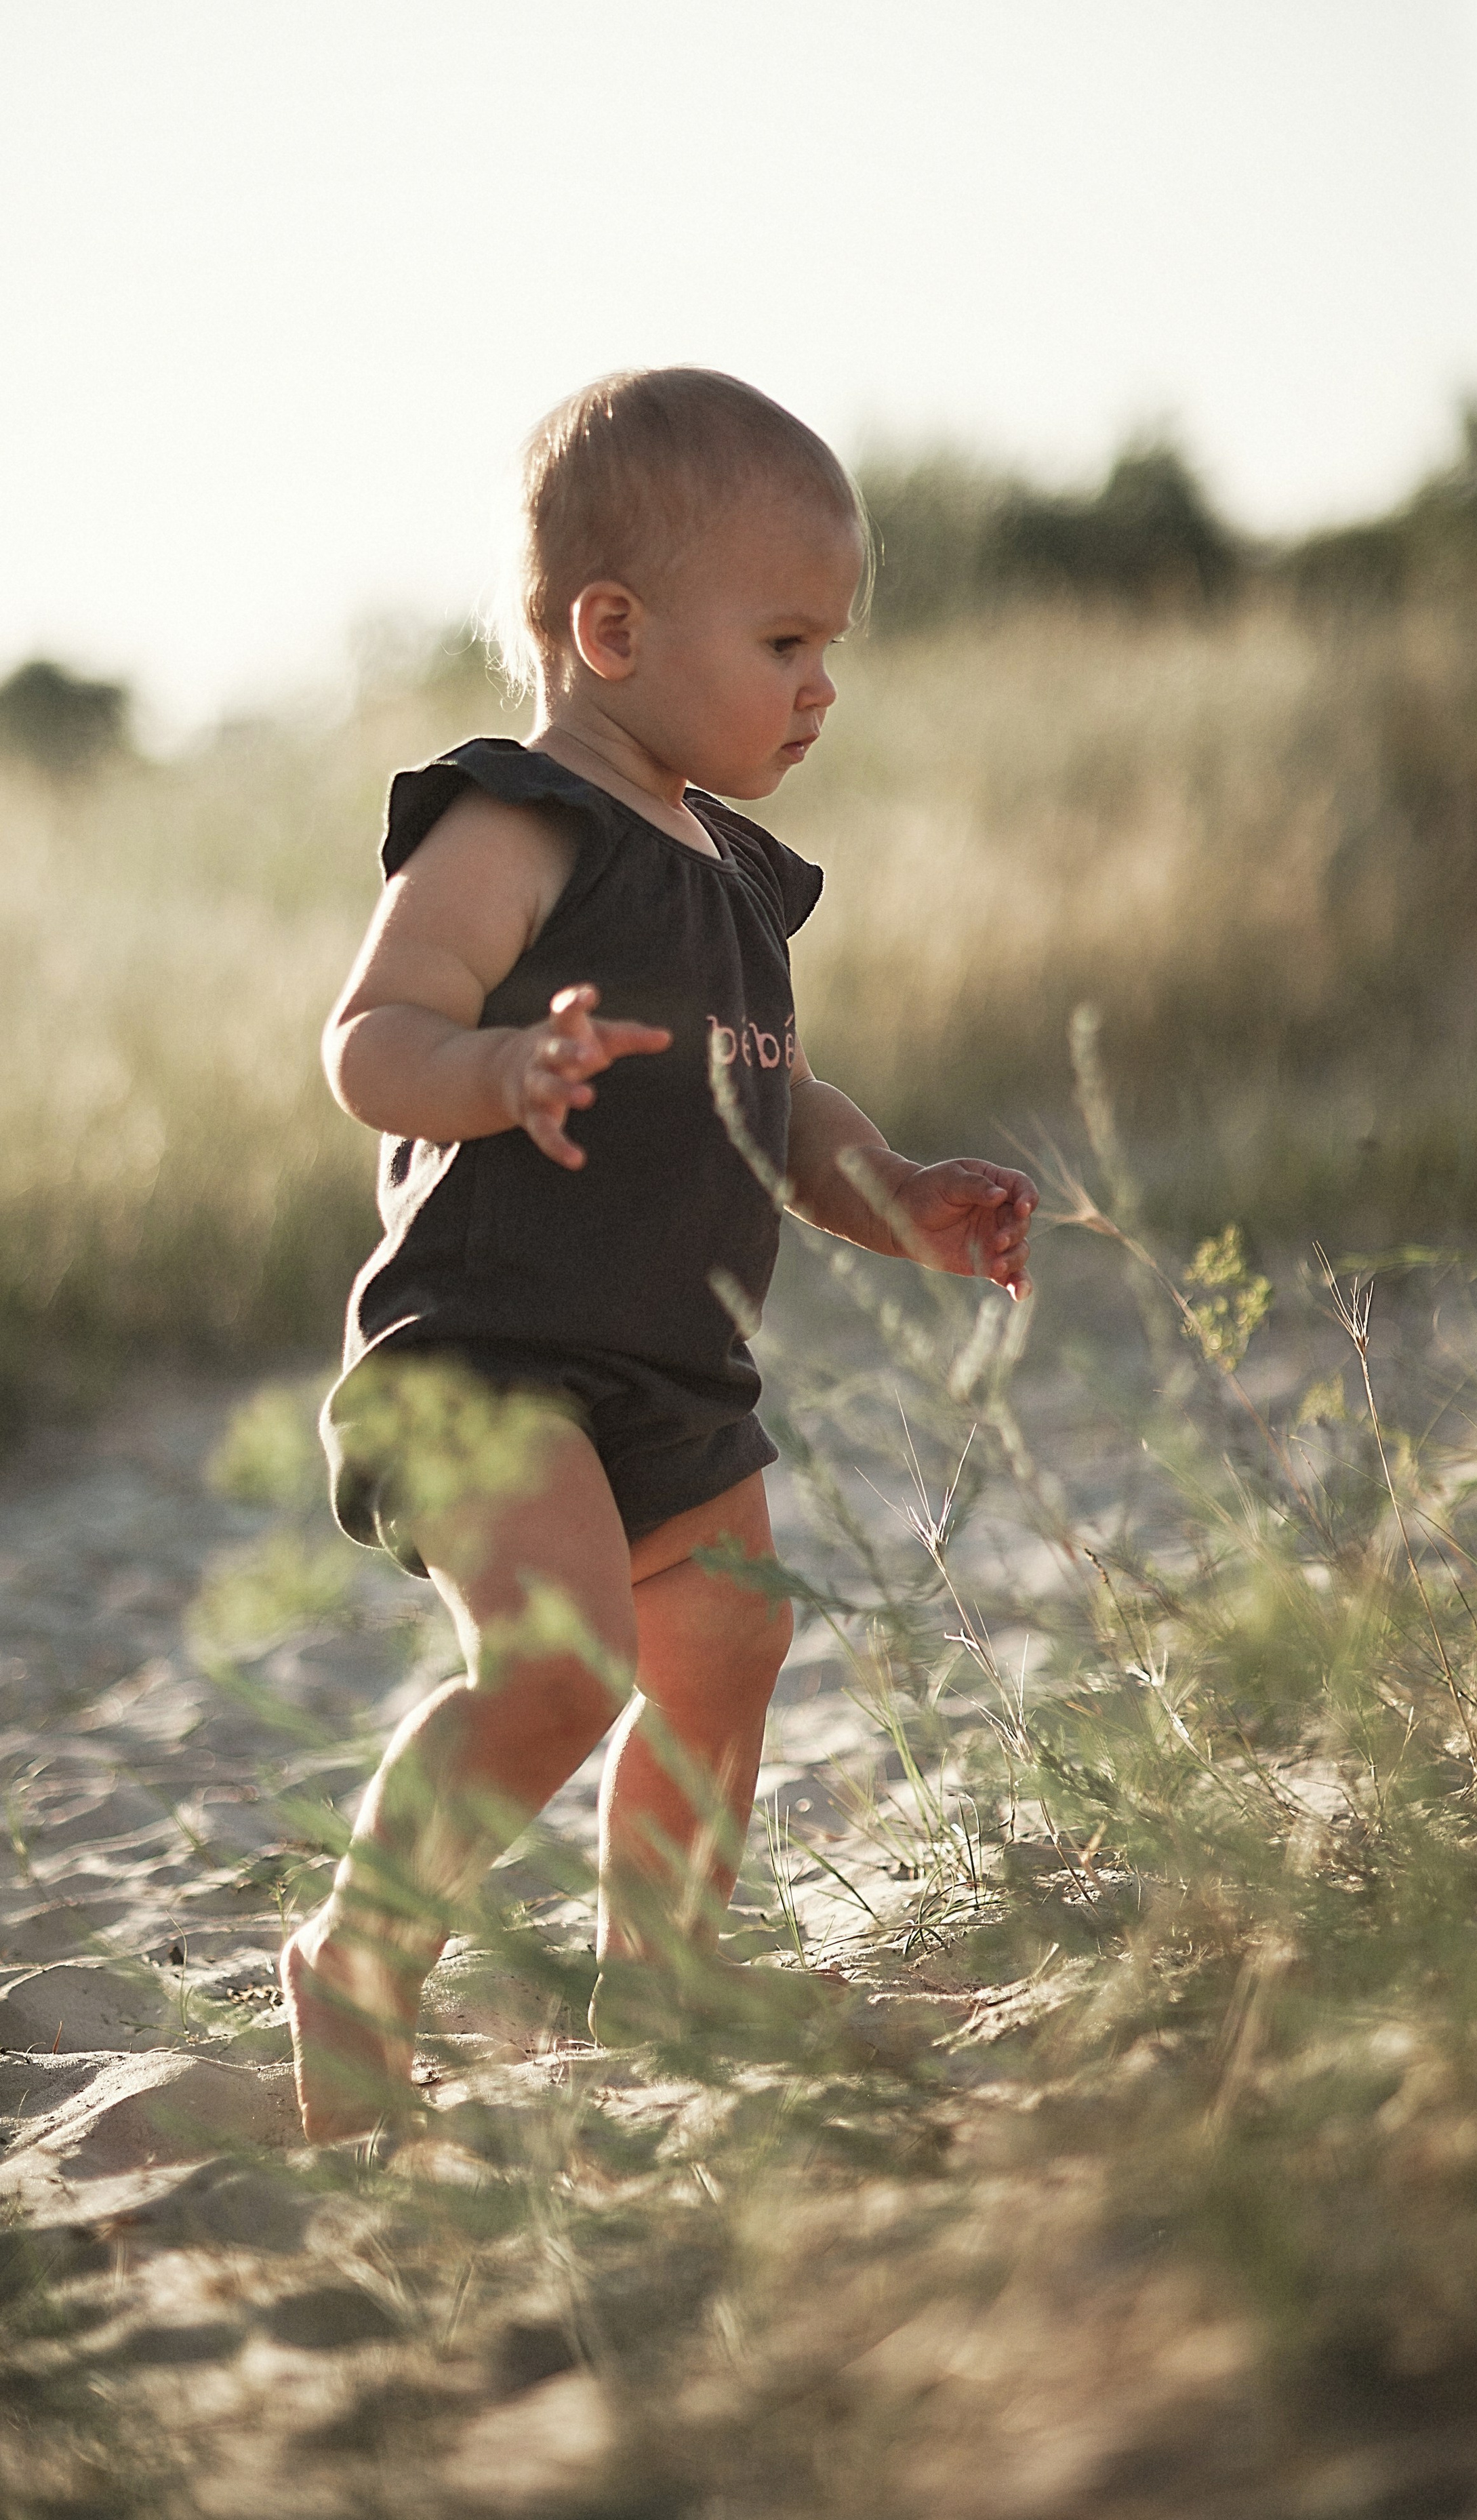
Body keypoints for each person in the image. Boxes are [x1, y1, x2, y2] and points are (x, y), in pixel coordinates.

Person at [279, 368, 1037, 2144]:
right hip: (487, 1354)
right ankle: (357, 1962)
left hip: (671, 1376)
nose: (820, 686)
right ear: (608, 629)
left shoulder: (737, 878)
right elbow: (370, 1036)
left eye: (829, 645)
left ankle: (663, 1969)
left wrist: (896, 1188)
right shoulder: (519, 821)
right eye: (785, 640)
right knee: (559, 1663)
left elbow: (775, 1108)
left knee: (728, 1651)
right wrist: (498, 1069)